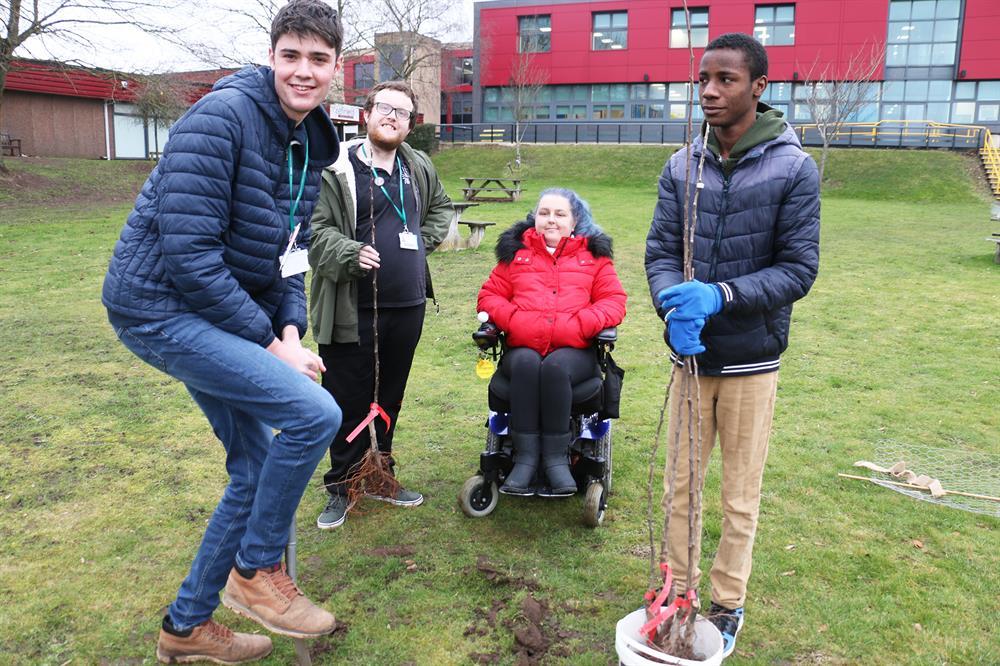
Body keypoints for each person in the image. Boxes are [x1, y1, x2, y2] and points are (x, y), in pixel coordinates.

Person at [101, 1, 345, 662]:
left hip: (211, 305)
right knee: (313, 413)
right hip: (157, 304)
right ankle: (255, 570)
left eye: (317, 59)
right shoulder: (222, 118)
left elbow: (289, 256)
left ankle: (185, 629)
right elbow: (191, 257)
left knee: (254, 464)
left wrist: (290, 332)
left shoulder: (308, 144)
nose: (302, 70)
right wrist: (269, 347)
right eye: (290, 55)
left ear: (335, 69)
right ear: (271, 57)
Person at [645, 33, 820, 658]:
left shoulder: (793, 167)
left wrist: (718, 294)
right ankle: (676, 593)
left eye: (726, 80)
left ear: (758, 88)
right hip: (690, 360)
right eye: (703, 80)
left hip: (751, 359)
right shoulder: (680, 165)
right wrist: (673, 302)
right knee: (679, 488)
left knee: (738, 496)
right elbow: (661, 252)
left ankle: (725, 603)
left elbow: (799, 269)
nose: (710, 92)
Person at [309, 80, 453, 530]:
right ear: (367, 114)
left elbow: (442, 208)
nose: (393, 117)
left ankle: (380, 474)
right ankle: (342, 485)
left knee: (389, 396)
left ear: (410, 125)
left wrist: (421, 244)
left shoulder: (417, 165)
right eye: (385, 109)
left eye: (403, 113)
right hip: (350, 307)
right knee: (347, 398)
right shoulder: (335, 167)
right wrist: (350, 253)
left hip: (407, 305)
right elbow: (313, 232)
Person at [477, 188, 627, 496]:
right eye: (544, 213)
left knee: (556, 367)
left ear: (575, 221)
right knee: (528, 364)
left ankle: (556, 460)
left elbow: (614, 301)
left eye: (560, 214)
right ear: (535, 219)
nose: (551, 221)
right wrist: (518, 321)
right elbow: (489, 296)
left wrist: (579, 325)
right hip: (523, 349)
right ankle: (526, 458)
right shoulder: (515, 256)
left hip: (576, 353)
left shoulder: (594, 259)